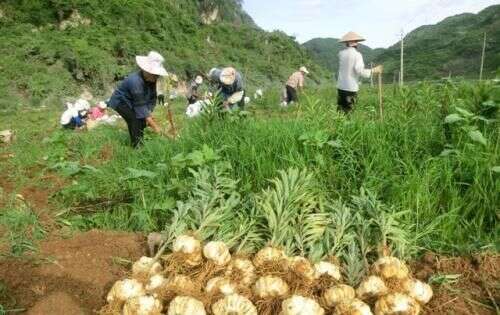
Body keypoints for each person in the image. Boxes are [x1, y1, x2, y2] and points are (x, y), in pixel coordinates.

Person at [107, 51, 167, 147]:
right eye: (155, 74)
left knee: (142, 121)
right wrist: (155, 127)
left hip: (133, 101)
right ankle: (137, 146)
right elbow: (140, 106)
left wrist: (149, 113)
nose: (157, 77)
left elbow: (152, 98)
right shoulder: (135, 81)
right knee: (135, 120)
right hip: (121, 102)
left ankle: (139, 141)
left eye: (157, 75)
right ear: (146, 71)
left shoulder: (151, 79)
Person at [337, 32, 383, 114]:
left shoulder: (341, 54)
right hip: (351, 88)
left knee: (340, 111)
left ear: (346, 43)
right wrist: (374, 70)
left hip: (341, 87)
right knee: (349, 112)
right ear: (355, 42)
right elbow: (359, 70)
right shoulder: (357, 55)